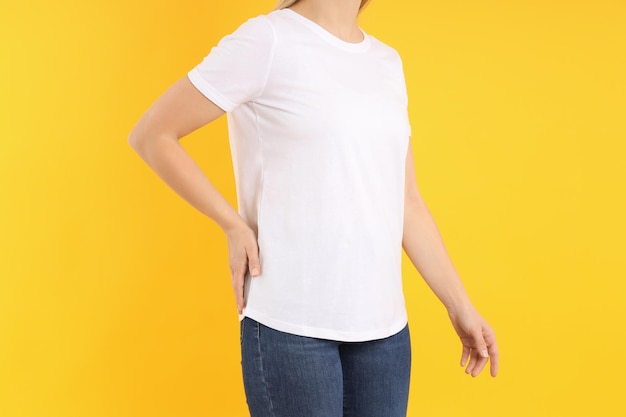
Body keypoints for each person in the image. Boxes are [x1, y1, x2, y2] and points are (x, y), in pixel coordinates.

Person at [128, 0, 499, 415]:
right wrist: (232, 225)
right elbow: (153, 134)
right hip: (291, 326)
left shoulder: (385, 62)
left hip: (384, 333)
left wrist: (460, 305)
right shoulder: (267, 40)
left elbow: (407, 203)